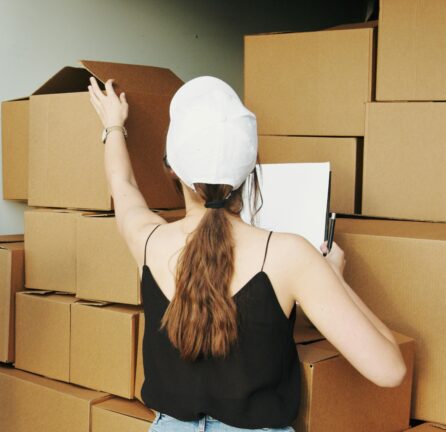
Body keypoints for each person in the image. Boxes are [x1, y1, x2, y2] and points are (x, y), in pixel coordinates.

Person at [88, 76, 406, 431]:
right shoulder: (291, 256)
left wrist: (113, 125)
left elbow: (123, 184)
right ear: (252, 166)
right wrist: (332, 277)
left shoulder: (148, 241)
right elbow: (390, 370)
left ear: (172, 168)